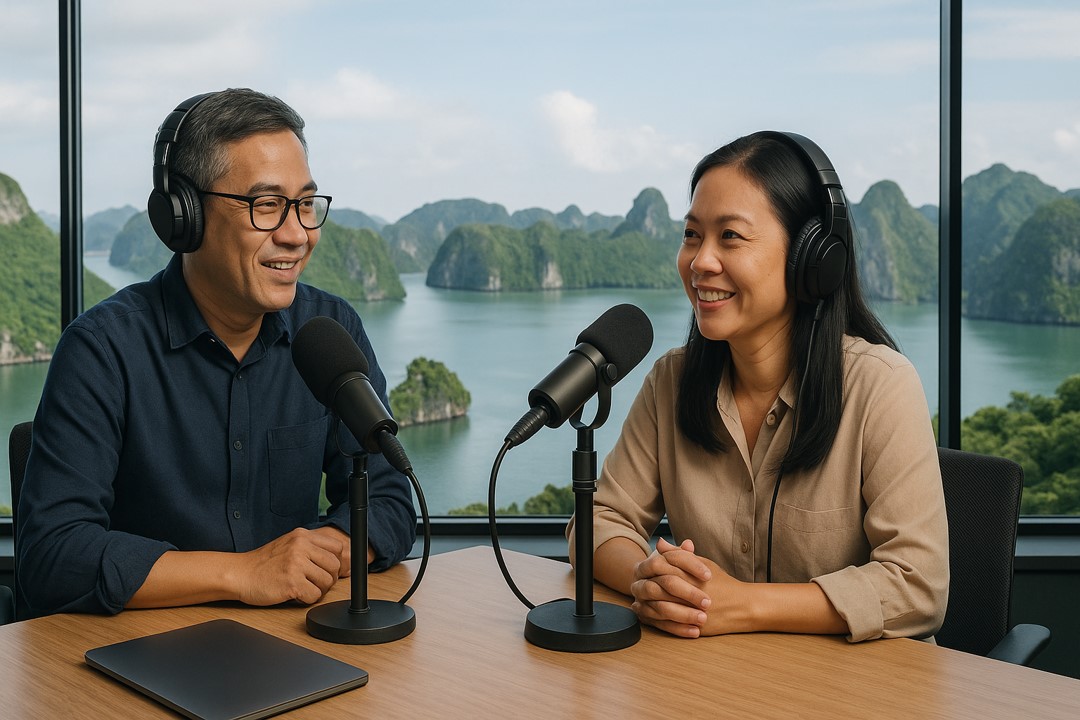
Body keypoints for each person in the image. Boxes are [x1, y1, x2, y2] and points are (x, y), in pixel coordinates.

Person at [16, 88, 416, 618]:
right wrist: (244, 572)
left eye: (304, 204)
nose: (297, 235)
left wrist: (320, 556)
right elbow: (52, 556)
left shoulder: (329, 330)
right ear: (185, 216)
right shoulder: (102, 350)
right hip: (137, 652)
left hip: (284, 645)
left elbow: (389, 502)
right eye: (267, 205)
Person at [568, 131, 948, 642]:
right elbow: (597, 521)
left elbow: (918, 586)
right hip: (706, 685)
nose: (701, 261)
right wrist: (649, 579)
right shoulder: (672, 382)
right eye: (691, 235)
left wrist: (745, 606)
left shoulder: (880, 386)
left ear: (812, 258)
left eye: (730, 237)